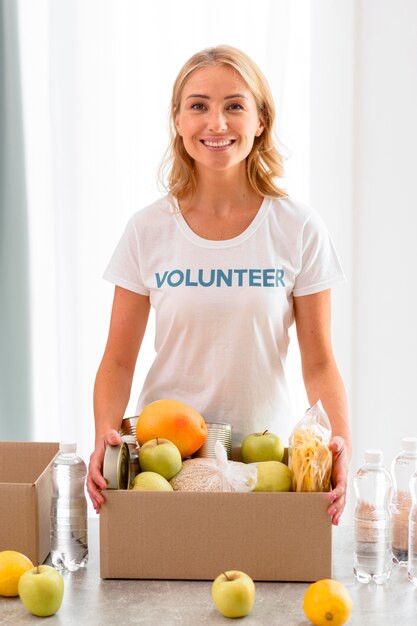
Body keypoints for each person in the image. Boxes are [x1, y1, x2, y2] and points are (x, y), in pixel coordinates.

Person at [87, 45, 351, 524]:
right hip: (163, 466)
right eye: (198, 105)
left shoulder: (298, 228)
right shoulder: (148, 229)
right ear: (177, 120)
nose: (217, 123)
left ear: (260, 120)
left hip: (266, 466)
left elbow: (319, 361)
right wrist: (105, 438)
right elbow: (118, 359)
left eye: (234, 105)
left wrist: (340, 444)